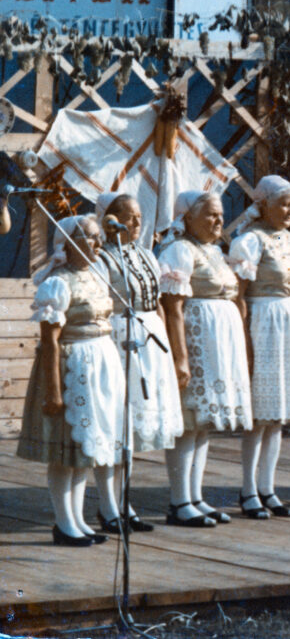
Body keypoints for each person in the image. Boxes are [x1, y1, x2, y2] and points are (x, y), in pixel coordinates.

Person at [17, 215, 127, 545]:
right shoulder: (58, 283)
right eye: (89, 238)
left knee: (83, 450)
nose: (97, 243)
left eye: (98, 237)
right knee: (65, 450)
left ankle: (78, 520)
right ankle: (64, 523)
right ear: (66, 244)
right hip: (71, 366)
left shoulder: (95, 274)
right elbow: (50, 340)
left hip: (99, 363)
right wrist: (53, 391)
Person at [159, 191, 252, 527]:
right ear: (187, 217)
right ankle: (179, 500)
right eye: (211, 214)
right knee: (189, 421)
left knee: (203, 423)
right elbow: (172, 307)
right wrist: (180, 357)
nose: (218, 221)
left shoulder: (214, 251)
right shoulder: (179, 250)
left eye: (221, 214)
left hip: (219, 345)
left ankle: (195, 496)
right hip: (196, 340)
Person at [229, 175, 290, 519]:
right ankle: (248, 489)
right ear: (263, 204)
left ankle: (268, 487)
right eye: (283, 204)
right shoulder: (251, 241)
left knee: (278, 414)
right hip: (265, 323)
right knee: (261, 414)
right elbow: (239, 296)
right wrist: (245, 340)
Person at [95, 192, 182, 532]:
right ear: (109, 219)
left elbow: (156, 301)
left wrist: (165, 343)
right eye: (128, 215)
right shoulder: (100, 257)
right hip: (118, 337)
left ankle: (124, 502)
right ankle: (107, 506)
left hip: (148, 337)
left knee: (131, 429)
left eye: (138, 216)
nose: (135, 222)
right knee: (115, 424)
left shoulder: (146, 253)